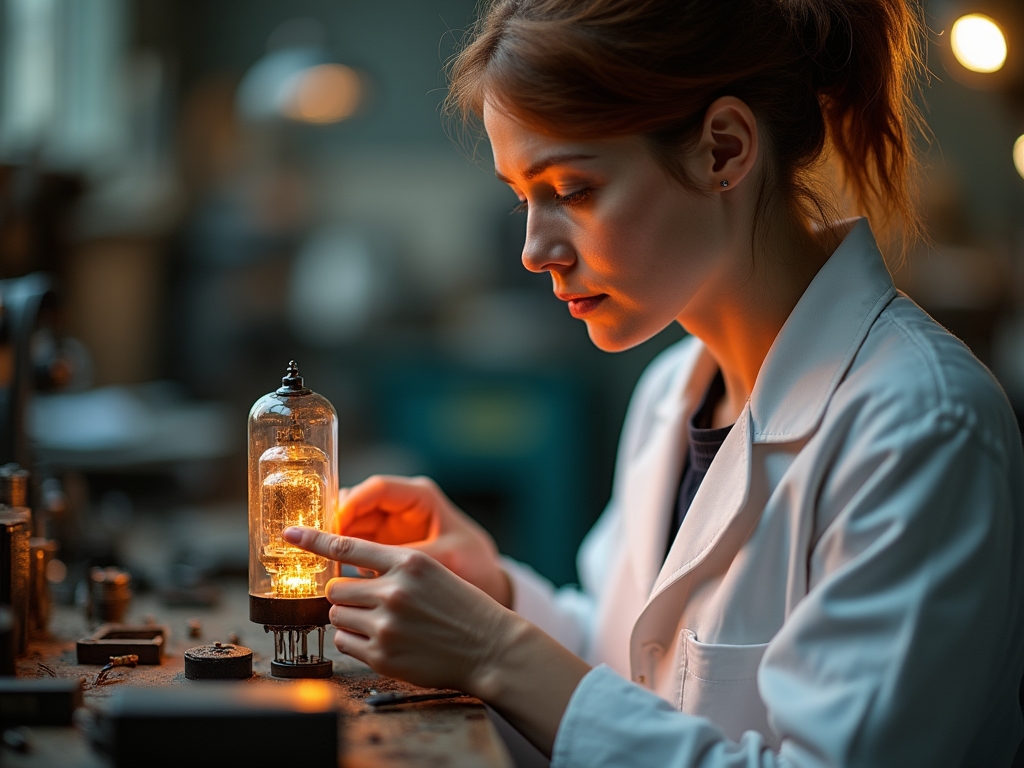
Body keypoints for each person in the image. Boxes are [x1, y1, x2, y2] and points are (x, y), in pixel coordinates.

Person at [282, 0, 1024, 764]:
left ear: (724, 150)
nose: (535, 250)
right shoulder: (673, 392)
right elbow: (633, 670)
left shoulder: (921, 426)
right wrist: (491, 596)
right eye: (522, 198)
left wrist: (494, 649)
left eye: (571, 189)